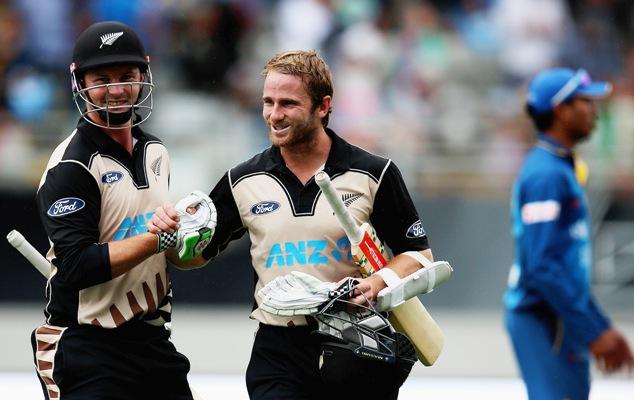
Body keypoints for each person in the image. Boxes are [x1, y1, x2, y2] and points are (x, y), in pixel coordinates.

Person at [149, 50, 435, 399]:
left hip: (355, 344)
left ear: (323, 106)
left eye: (288, 103)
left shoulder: (374, 173)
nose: (274, 114)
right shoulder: (241, 180)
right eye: (268, 102)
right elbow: (195, 256)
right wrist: (173, 237)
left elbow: (419, 256)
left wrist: (375, 284)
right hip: (278, 349)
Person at [33, 21, 210, 399]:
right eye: (101, 79)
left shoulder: (156, 152)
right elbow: (78, 266)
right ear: (78, 82)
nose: (115, 90)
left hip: (152, 339)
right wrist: (155, 238)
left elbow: (170, 255)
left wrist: (190, 245)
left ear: (144, 72)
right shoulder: (71, 166)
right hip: (88, 347)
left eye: (126, 76)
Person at [505, 67, 634, 400]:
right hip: (542, 316)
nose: (594, 110)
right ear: (561, 110)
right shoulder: (545, 174)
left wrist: (598, 324)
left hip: (561, 315)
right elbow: (542, 266)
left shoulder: (560, 166)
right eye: (585, 101)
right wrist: (594, 330)